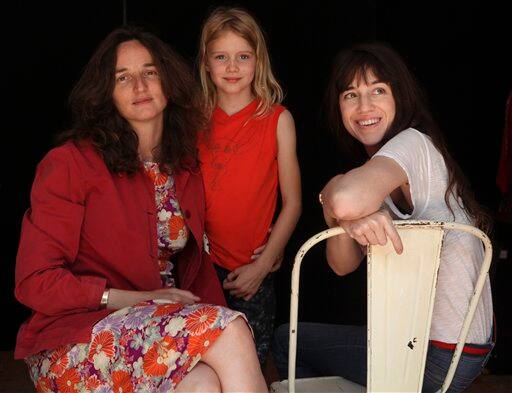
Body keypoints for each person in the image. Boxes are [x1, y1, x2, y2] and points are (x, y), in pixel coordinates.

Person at [14, 26, 267, 392]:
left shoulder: (183, 166)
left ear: (168, 81)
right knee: (230, 328)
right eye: (123, 77)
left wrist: (267, 249)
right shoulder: (70, 164)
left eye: (149, 72)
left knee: (202, 384)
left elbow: (239, 202)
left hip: (157, 333)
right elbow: (34, 282)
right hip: (77, 344)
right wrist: (129, 299)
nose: (139, 86)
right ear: (107, 94)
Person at [272, 42, 494, 392]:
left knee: (288, 339)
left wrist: (330, 192)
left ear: (399, 98)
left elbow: (344, 199)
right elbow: (340, 264)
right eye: (350, 95)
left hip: (438, 355)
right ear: (339, 107)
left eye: (378, 90)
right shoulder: (372, 178)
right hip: (442, 349)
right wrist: (348, 219)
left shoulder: (413, 144)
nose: (364, 107)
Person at [197, 7, 302, 366]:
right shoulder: (192, 119)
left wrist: (267, 259)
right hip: (201, 268)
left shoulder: (276, 119)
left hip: (252, 271)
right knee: (204, 364)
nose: (231, 67)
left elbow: (293, 203)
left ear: (258, 61)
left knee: (249, 365)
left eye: (243, 57)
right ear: (206, 63)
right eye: (221, 57)